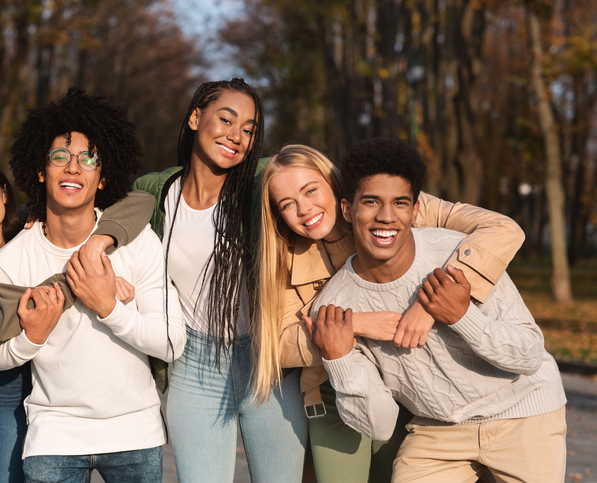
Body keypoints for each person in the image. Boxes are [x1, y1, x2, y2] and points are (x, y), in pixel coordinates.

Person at [254, 144, 527, 482]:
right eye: (288, 204)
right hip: (332, 389)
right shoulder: (280, 256)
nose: (305, 209)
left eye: (311, 191)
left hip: (406, 385)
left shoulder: (394, 207)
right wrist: (355, 324)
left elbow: (502, 231)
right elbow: (275, 344)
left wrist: (431, 304)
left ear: (334, 186)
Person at [307, 137, 566, 483]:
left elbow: (530, 354)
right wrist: (339, 360)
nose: (386, 216)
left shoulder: (458, 253)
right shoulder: (335, 306)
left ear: (415, 211)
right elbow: (381, 425)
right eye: (371, 202)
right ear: (348, 210)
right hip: (436, 431)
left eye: (400, 203)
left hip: (523, 412)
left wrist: (463, 316)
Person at [0, 87, 186, 483]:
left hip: (134, 435)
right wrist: (31, 339)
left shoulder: (138, 241)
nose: (73, 167)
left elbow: (173, 342)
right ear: (41, 171)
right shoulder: (11, 259)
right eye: (60, 157)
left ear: (102, 176)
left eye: (88, 159)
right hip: (53, 438)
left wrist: (109, 306)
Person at [0, 150, 155, 483]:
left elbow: (140, 202)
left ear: (4, 192)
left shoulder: (37, 220)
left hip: (61, 383)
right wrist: (84, 279)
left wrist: (98, 243)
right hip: (5, 384)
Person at [133, 78, 309, 482]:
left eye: (249, 129)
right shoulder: (158, 192)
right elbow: (109, 214)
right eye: (226, 119)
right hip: (195, 366)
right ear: (196, 118)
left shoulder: (259, 186)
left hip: (268, 364)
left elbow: (313, 186)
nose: (237, 136)